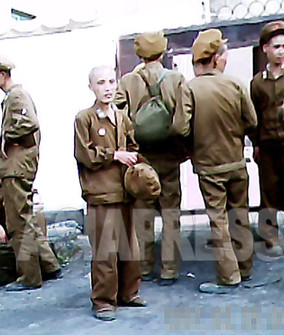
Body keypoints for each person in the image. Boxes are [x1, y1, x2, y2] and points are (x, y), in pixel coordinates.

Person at [173, 29, 257, 294]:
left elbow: (179, 128)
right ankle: (245, 268)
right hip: (236, 162)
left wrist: (193, 145)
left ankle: (229, 276)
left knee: (218, 220)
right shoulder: (235, 84)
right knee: (240, 215)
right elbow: (252, 121)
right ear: (217, 59)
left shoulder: (190, 88)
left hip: (209, 167)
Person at [0, 52, 61, 291]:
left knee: (18, 224)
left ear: (1, 74)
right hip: (16, 167)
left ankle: (29, 277)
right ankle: (49, 265)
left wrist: (7, 140)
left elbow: (29, 123)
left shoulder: (16, 96)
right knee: (26, 219)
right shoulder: (13, 96)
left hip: (16, 168)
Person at [115, 31, 186, 285]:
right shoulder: (176, 79)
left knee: (142, 215)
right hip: (169, 157)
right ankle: (169, 270)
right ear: (163, 51)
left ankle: (144, 267)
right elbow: (183, 120)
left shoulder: (127, 81)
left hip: (141, 158)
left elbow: (118, 117)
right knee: (171, 214)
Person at [75, 65, 145, 321]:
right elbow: (85, 155)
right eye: (101, 83)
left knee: (130, 247)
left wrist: (138, 164)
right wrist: (114, 155)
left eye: (111, 82)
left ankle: (129, 293)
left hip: (124, 192)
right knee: (105, 250)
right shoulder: (85, 118)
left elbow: (133, 147)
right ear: (91, 87)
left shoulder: (122, 117)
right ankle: (103, 300)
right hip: (101, 193)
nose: (107, 88)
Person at [250, 21, 284, 256]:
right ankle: (270, 238)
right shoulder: (257, 83)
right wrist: (256, 144)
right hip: (269, 146)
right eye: (276, 47)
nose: (281, 52)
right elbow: (253, 116)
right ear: (265, 49)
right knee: (268, 194)